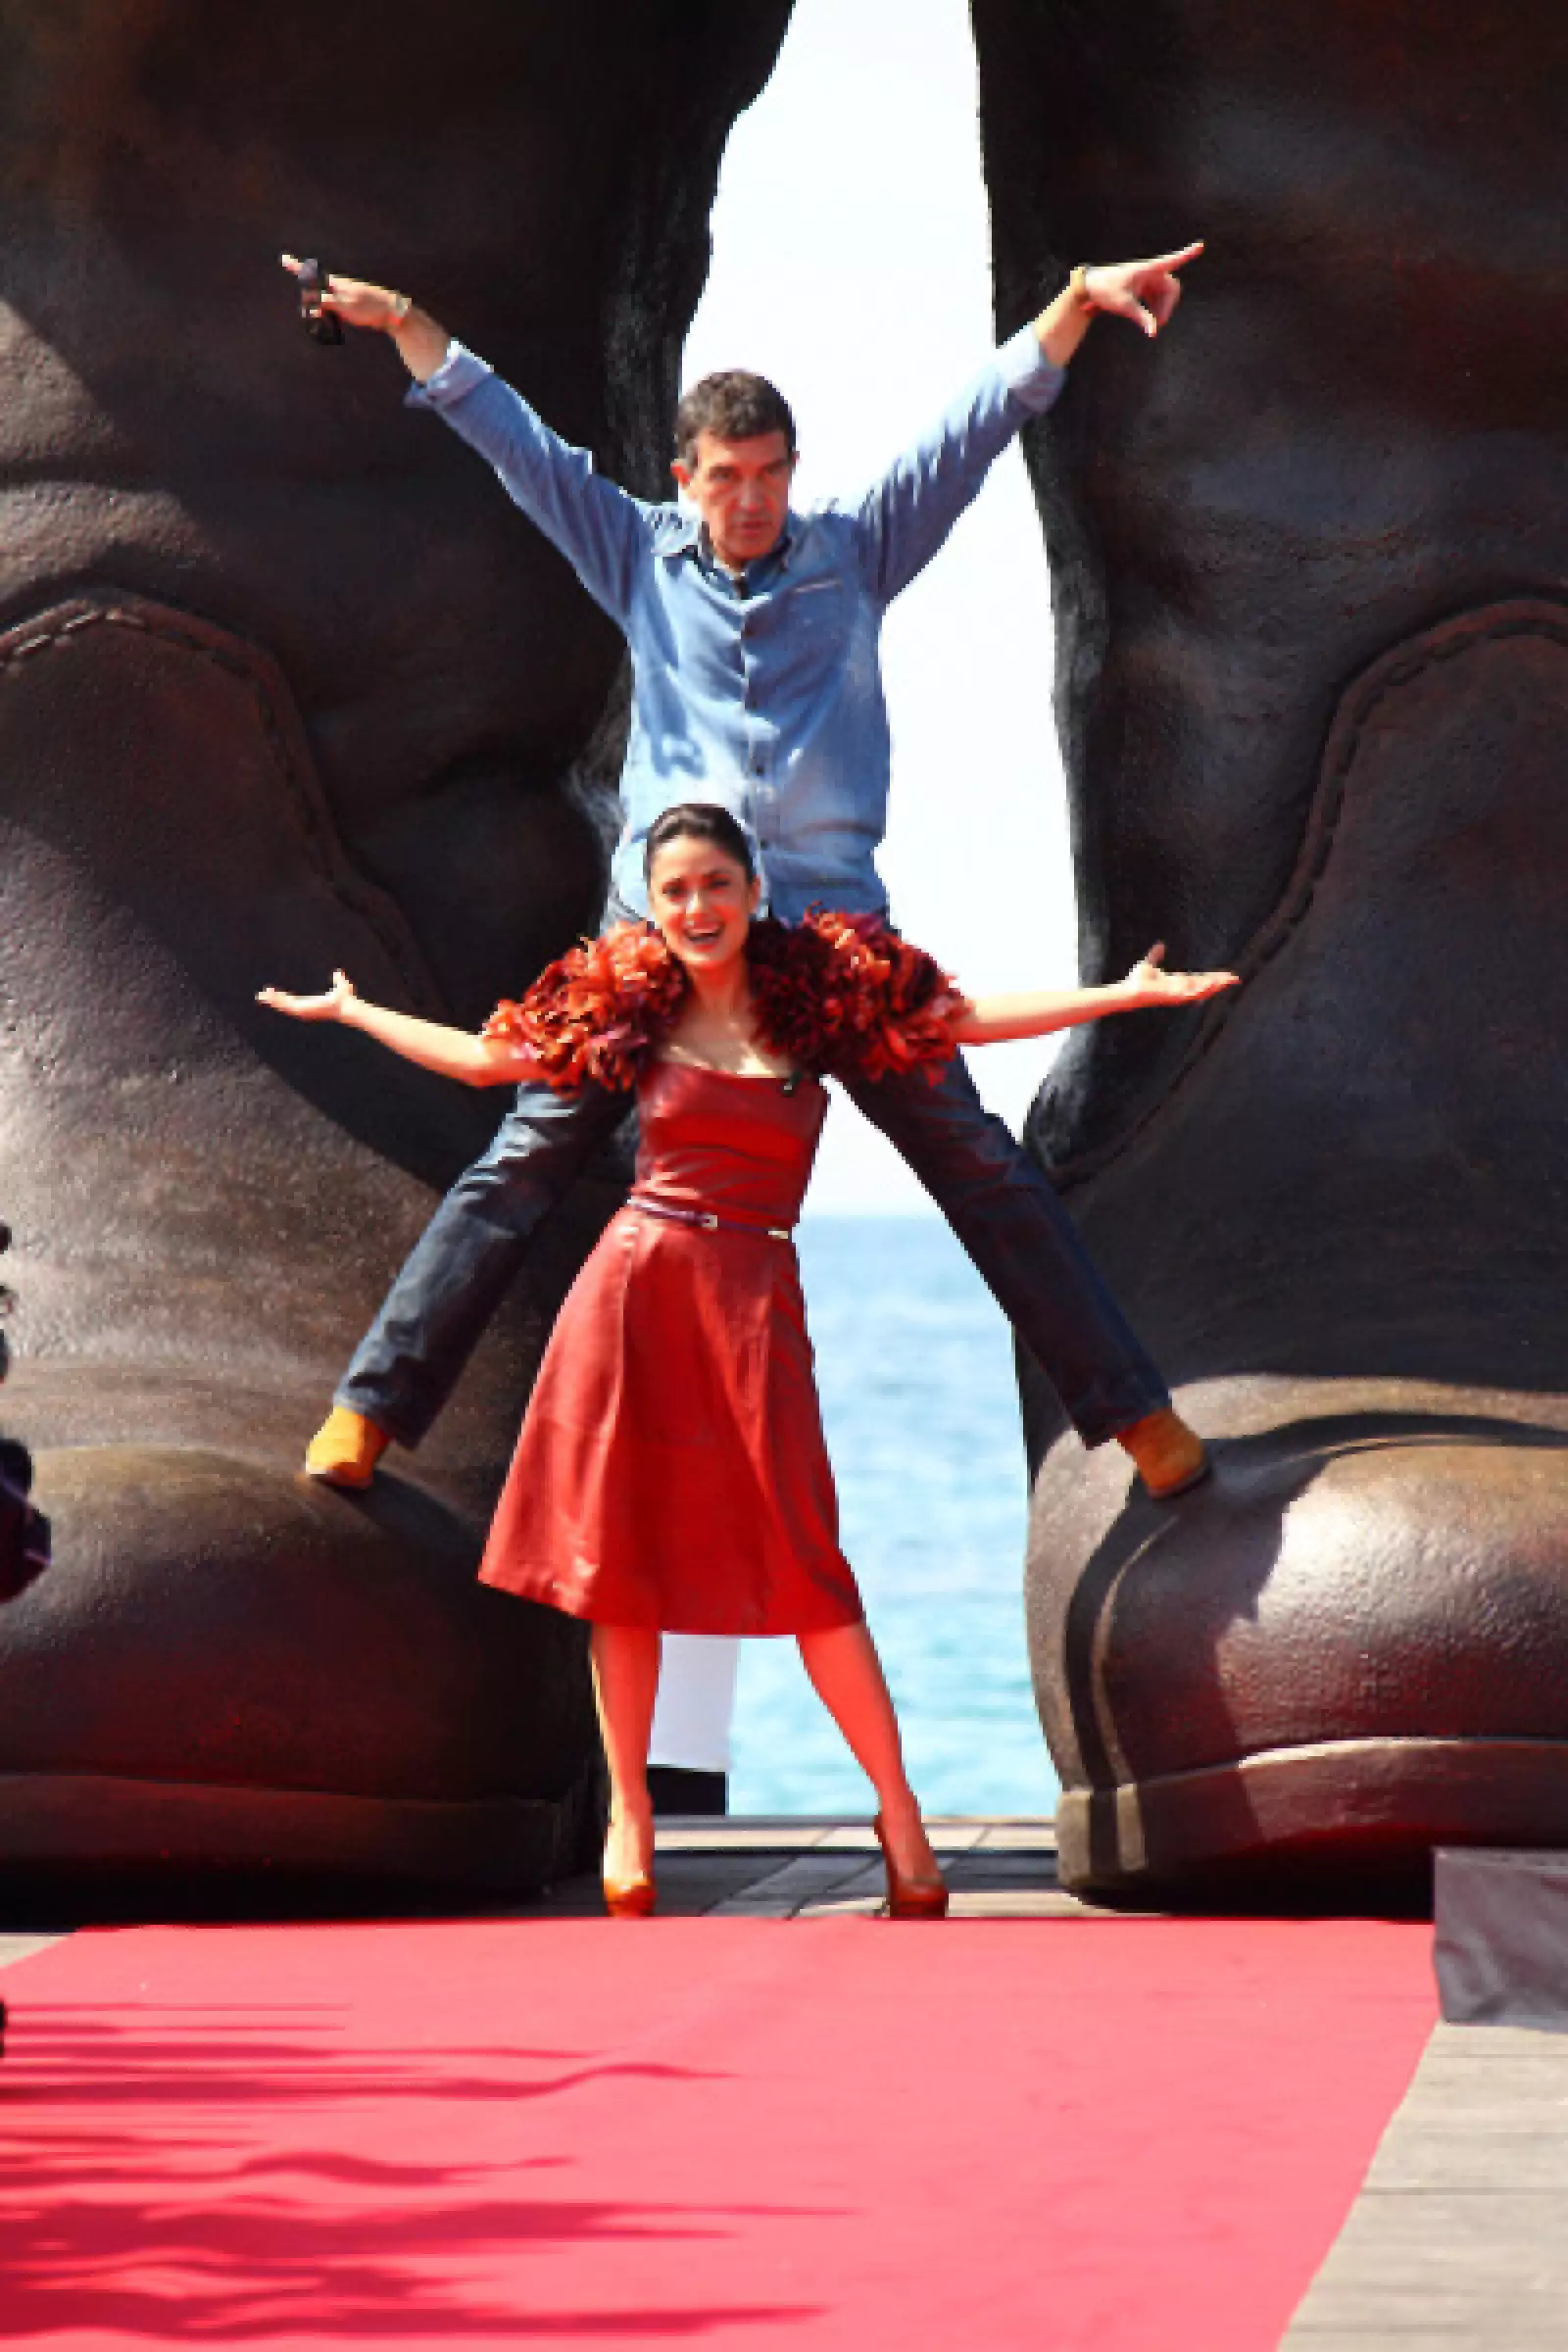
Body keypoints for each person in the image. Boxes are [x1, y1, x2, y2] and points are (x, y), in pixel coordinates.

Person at [261, 802, 1239, 1916]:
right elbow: (490, 1063)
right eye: (674, 890)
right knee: (612, 1561)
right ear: (653, 903)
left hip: (752, 1298)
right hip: (630, 1292)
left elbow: (957, 1024)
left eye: (715, 884)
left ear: (752, 888)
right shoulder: (627, 1002)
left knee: (808, 1562)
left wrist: (1118, 998)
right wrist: (351, 1013)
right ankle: (630, 1814)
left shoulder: (820, 994)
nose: (696, 908)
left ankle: (900, 1817)